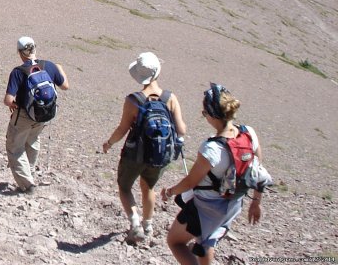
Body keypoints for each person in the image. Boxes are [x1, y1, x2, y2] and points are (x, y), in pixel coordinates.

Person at [160, 83, 270, 264]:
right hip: (234, 203)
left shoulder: (211, 149)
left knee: (175, 241)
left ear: (212, 115)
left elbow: (190, 182)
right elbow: (258, 171)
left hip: (207, 206)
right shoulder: (249, 133)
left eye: (205, 114)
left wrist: (170, 191)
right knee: (206, 241)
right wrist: (256, 202)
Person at [102, 52, 187, 243]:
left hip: (135, 153)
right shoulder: (170, 98)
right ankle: (148, 225)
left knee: (124, 187)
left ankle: (135, 223)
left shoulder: (133, 100)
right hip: (159, 155)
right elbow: (181, 128)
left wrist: (109, 143)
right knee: (149, 187)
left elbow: (122, 129)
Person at [3, 35, 69, 193]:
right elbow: (65, 86)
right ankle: (29, 173)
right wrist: (60, 69)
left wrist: (13, 104)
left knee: (15, 147)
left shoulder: (18, 72)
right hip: (44, 114)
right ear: (34, 48)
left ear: (20, 52)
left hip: (24, 115)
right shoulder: (50, 66)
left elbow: (8, 100)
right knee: (32, 141)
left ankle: (27, 184)